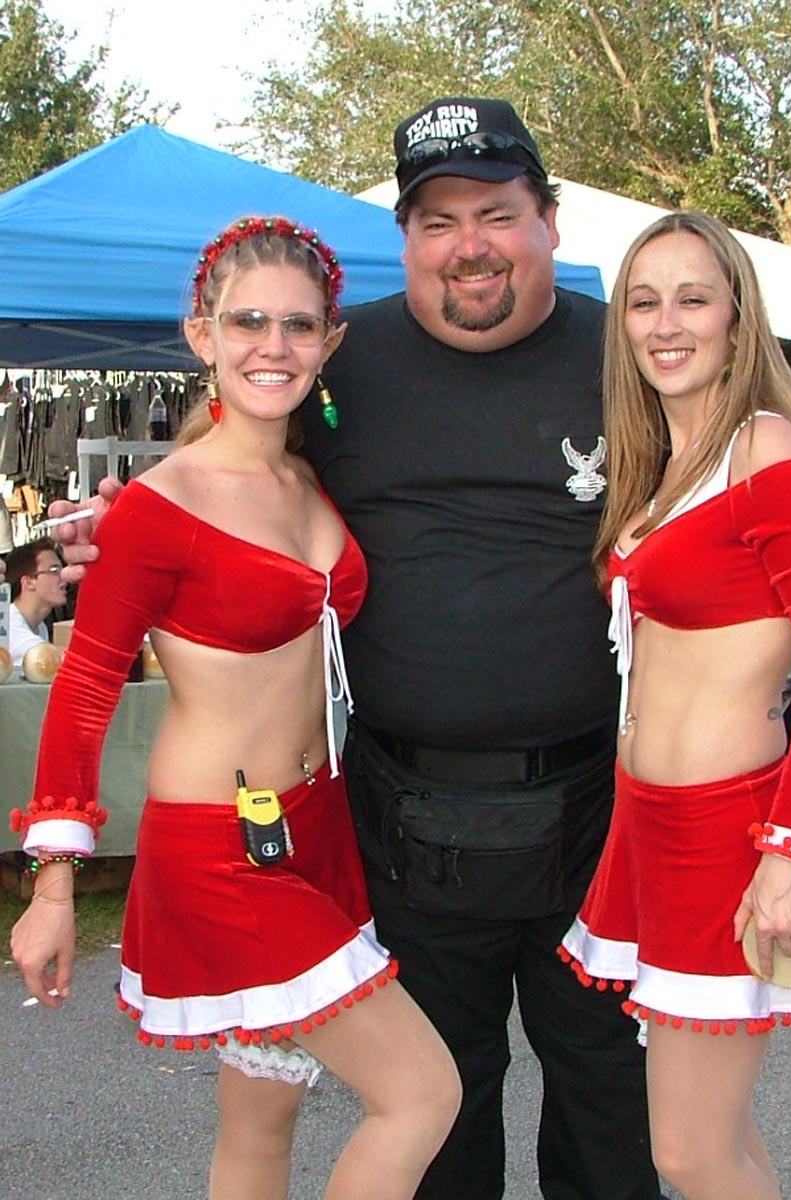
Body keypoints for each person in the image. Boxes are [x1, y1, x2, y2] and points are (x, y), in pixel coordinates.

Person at [48, 99, 661, 1200]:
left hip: (587, 805)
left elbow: (728, 475)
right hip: (394, 816)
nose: (469, 244)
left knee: (605, 1089)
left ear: (549, 222)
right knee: (438, 1101)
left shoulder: (630, 354)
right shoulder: (350, 364)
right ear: (405, 237)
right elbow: (222, 471)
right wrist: (127, 525)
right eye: (436, 221)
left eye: (496, 214)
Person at [9, 215, 460, 1200]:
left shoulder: (312, 478)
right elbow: (84, 689)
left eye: (299, 325)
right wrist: (53, 889)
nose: (274, 345)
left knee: (262, 1118)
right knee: (422, 1095)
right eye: (248, 321)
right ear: (202, 335)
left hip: (315, 826)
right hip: (219, 848)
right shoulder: (158, 508)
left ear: (331, 343)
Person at [559, 210, 791, 1200]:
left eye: (693, 299)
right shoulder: (667, 463)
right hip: (650, 823)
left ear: (738, 318)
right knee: (721, 1142)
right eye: (644, 302)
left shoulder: (768, 452)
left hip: (728, 831)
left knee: (689, 1155)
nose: (666, 324)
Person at [3, 537, 67, 667]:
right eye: (54, 570)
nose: (64, 576)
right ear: (28, 582)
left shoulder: (40, 626)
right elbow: (55, 658)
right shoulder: (9, 625)